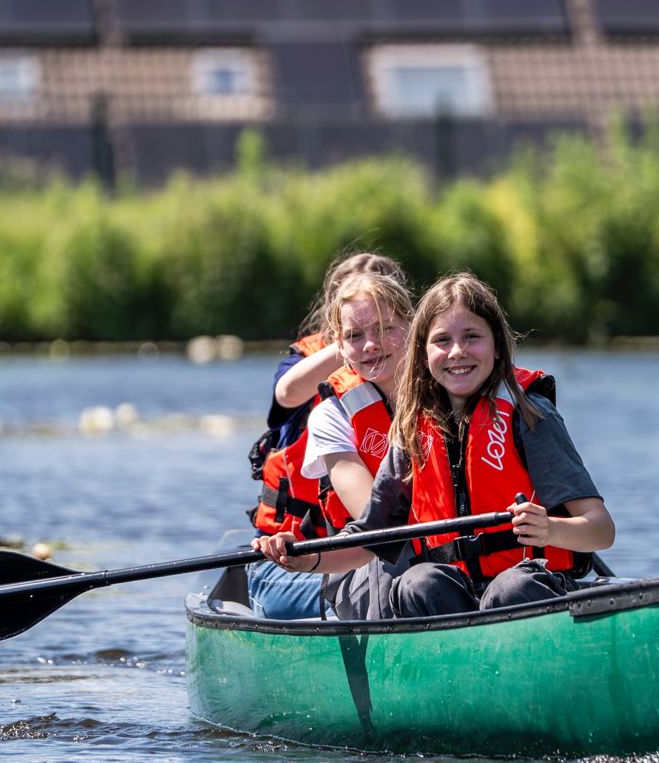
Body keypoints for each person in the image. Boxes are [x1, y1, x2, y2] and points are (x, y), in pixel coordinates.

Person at [254, 272, 615, 619]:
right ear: (422, 352)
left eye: (472, 337)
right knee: (419, 582)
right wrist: (307, 558)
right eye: (442, 341)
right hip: (453, 595)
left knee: (510, 588)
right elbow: (370, 538)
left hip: (523, 587)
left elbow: (601, 530)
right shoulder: (412, 427)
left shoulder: (530, 414)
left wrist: (551, 529)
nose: (457, 352)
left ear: (497, 346)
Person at [246, 251, 409, 618]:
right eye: (357, 324)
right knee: (389, 580)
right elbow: (287, 393)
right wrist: (354, 344)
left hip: (380, 555)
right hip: (294, 558)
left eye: (384, 323)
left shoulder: (439, 386)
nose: (372, 340)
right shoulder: (327, 393)